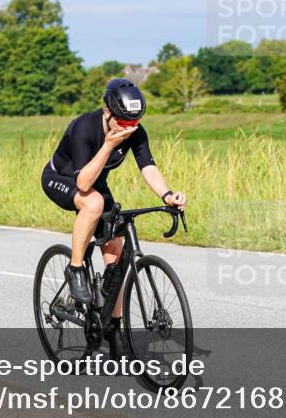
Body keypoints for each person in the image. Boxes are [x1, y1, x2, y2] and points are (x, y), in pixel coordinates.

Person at [41, 78, 187, 309]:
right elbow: (83, 183)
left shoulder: (133, 130)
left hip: (95, 184)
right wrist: (108, 145)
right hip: (61, 179)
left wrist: (167, 195)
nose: (128, 127)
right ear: (107, 111)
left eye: (134, 122)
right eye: (122, 121)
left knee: (116, 257)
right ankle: (75, 268)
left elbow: (147, 166)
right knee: (94, 203)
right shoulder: (84, 127)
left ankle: (112, 328)